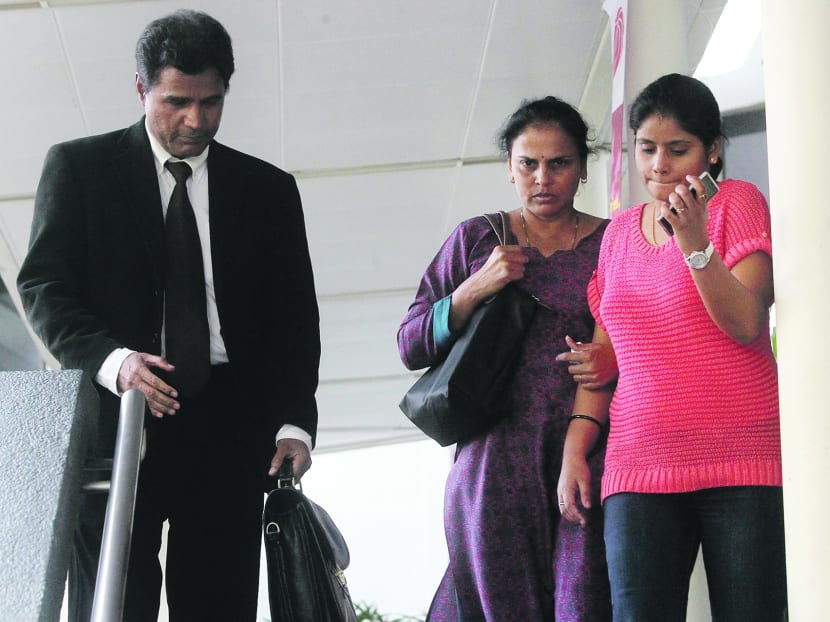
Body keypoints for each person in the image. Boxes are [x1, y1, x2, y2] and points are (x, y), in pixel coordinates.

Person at [17, 9, 320, 622]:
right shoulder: (78, 169)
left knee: (217, 602)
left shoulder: (268, 190)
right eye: (177, 101)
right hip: (120, 419)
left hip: (232, 421)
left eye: (211, 102)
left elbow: (296, 319)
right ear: (141, 89)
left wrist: (295, 421)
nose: (195, 120)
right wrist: (113, 361)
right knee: (113, 602)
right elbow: (44, 287)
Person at [557, 73, 787, 622]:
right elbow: (605, 358)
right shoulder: (617, 235)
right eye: (647, 147)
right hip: (638, 465)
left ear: (713, 149)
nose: (659, 165)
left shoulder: (738, 203)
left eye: (678, 150)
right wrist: (575, 448)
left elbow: (747, 322)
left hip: (743, 461)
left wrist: (695, 242)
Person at [398, 96, 616, 621]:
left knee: (582, 604)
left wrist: (612, 361)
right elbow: (410, 343)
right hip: (492, 464)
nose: (543, 178)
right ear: (510, 169)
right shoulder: (477, 238)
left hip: (584, 456)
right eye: (529, 164)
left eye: (559, 163)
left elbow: (646, 337)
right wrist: (475, 287)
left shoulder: (613, 242)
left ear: (583, 168)